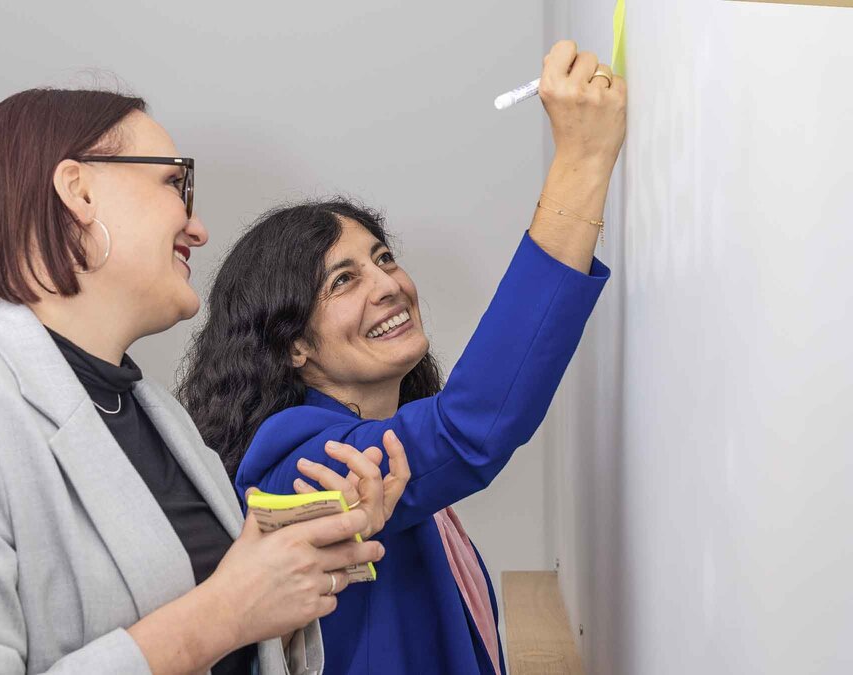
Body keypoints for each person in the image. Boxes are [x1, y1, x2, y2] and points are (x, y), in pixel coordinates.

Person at [0, 88, 404, 675]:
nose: (198, 229)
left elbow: (235, 635)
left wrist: (303, 559)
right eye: (175, 183)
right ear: (78, 190)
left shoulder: (161, 420)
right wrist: (225, 612)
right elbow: (220, 615)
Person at [178, 41, 625, 674]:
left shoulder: (392, 457)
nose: (388, 284)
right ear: (293, 345)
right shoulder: (301, 464)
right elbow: (471, 427)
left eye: (383, 258)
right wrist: (582, 161)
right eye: (343, 281)